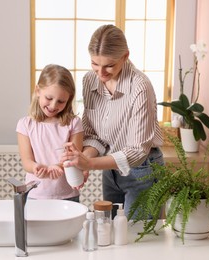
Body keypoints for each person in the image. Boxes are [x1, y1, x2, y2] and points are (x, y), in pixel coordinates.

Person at [61, 24, 164, 216]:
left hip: (143, 169)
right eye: (94, 63)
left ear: (125, 56)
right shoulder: (90, 80)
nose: (100, 73)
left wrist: (90, 164)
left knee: (140, 236)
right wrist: (84, 159)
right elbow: (93, 134)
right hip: (110, 169)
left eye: (109, 65)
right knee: (109, 228)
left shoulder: (140, 87)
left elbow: (137, 151)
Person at [16, 64, 84, 202]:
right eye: (49, 98)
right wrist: (36, 168)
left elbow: (74, 159)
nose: (53, 106)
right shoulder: (25, 125)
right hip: (35, 195)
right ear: (38, 91)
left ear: (69, 100)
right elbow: (27, 161)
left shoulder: (74, 123)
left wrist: (58, 167)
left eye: (61, 101)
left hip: (68, 195)